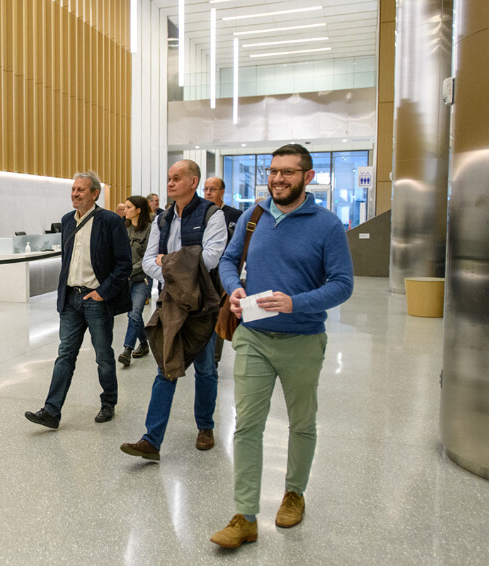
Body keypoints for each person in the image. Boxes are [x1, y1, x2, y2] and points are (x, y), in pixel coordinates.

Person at [210, 144, 354, 549]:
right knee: (247, 426)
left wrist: (297, 303)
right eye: (273, 171)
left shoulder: (326, 224)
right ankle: (245, 516)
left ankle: (294, 492)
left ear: (307, 177)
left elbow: (343, 284)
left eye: (288, 172)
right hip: (253, 336)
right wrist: (235, 289)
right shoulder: (254, 216)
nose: (277, 179)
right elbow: (227, 260)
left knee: (302, 422)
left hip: (303, 340)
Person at [120, 159, 227, 460]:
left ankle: (205, 426)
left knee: (205, 369)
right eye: (169, 178)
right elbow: (147, 261)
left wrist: (168, 263)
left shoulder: (211, 216)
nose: (170, 183)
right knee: (165, 368)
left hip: (203, 306)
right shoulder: (162, 219)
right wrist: (176, 266)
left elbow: (211, 258)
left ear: (194, 182)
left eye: (177, 178)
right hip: (170, 303)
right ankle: (151, 440)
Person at [25, 171, 132, 429]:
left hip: (96, 299)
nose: (75, 194)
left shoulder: (110, 221)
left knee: (103, 355)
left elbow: (124, 264)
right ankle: (51, 411)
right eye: (73, 189)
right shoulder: (67, 221)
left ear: (95, 194)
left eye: (81, 190)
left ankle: (108, 401)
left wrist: (102, 292)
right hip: (71, 300)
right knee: (65, 355)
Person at [202, 176, 243, 365]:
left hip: (224, 273)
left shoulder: (235, 215)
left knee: (219, 313)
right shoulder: (199, 213)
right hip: (202, 272)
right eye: (206, 189)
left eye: (213, 189)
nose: (208, 193)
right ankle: (202, 355)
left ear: (222, 192)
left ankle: (214, 359)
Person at [117, 195, 153, 367]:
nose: (125, 210)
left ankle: (127, 351)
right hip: (125, 279)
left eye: (129, 207)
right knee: (133, 315)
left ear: (138, 210)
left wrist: (130, 271)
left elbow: (148, 256)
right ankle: (144, 344)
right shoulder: (123, 228)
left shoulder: (150, 230)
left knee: (134, 313)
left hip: (142, 278)